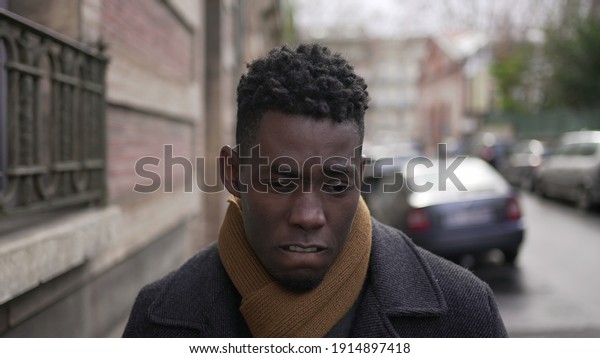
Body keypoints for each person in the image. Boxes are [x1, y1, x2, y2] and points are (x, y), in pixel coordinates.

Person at [122, 43, 507, 338]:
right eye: (281, 182)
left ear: (360, 177)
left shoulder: (464, 315)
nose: (308, 215)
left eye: (336, 184)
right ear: (234, 173)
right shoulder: (157, 320)